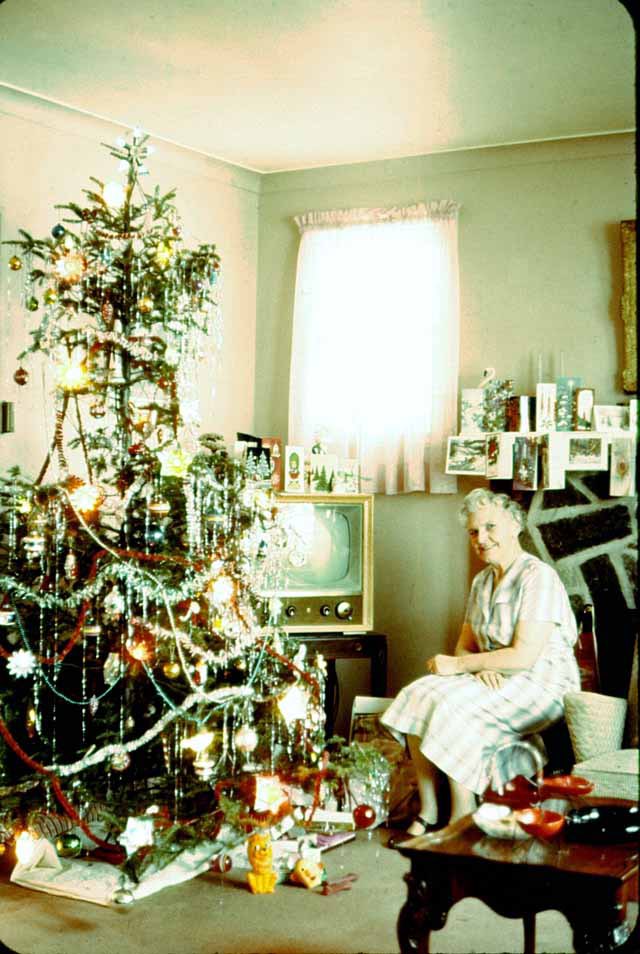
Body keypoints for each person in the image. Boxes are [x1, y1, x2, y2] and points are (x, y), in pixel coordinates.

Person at [381, 488, 580, 844]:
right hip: (497, 677)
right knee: (418, 693)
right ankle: (429, 812)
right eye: (474, 532)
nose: (481, 539)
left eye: (490, 527)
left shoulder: (539, 577)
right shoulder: (483, 581)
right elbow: (465, 644)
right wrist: (476, 667)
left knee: (454, 706)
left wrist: (465, 665)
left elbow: (523, 657)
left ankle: (462, 815)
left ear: (515, 525)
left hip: (542, 685)